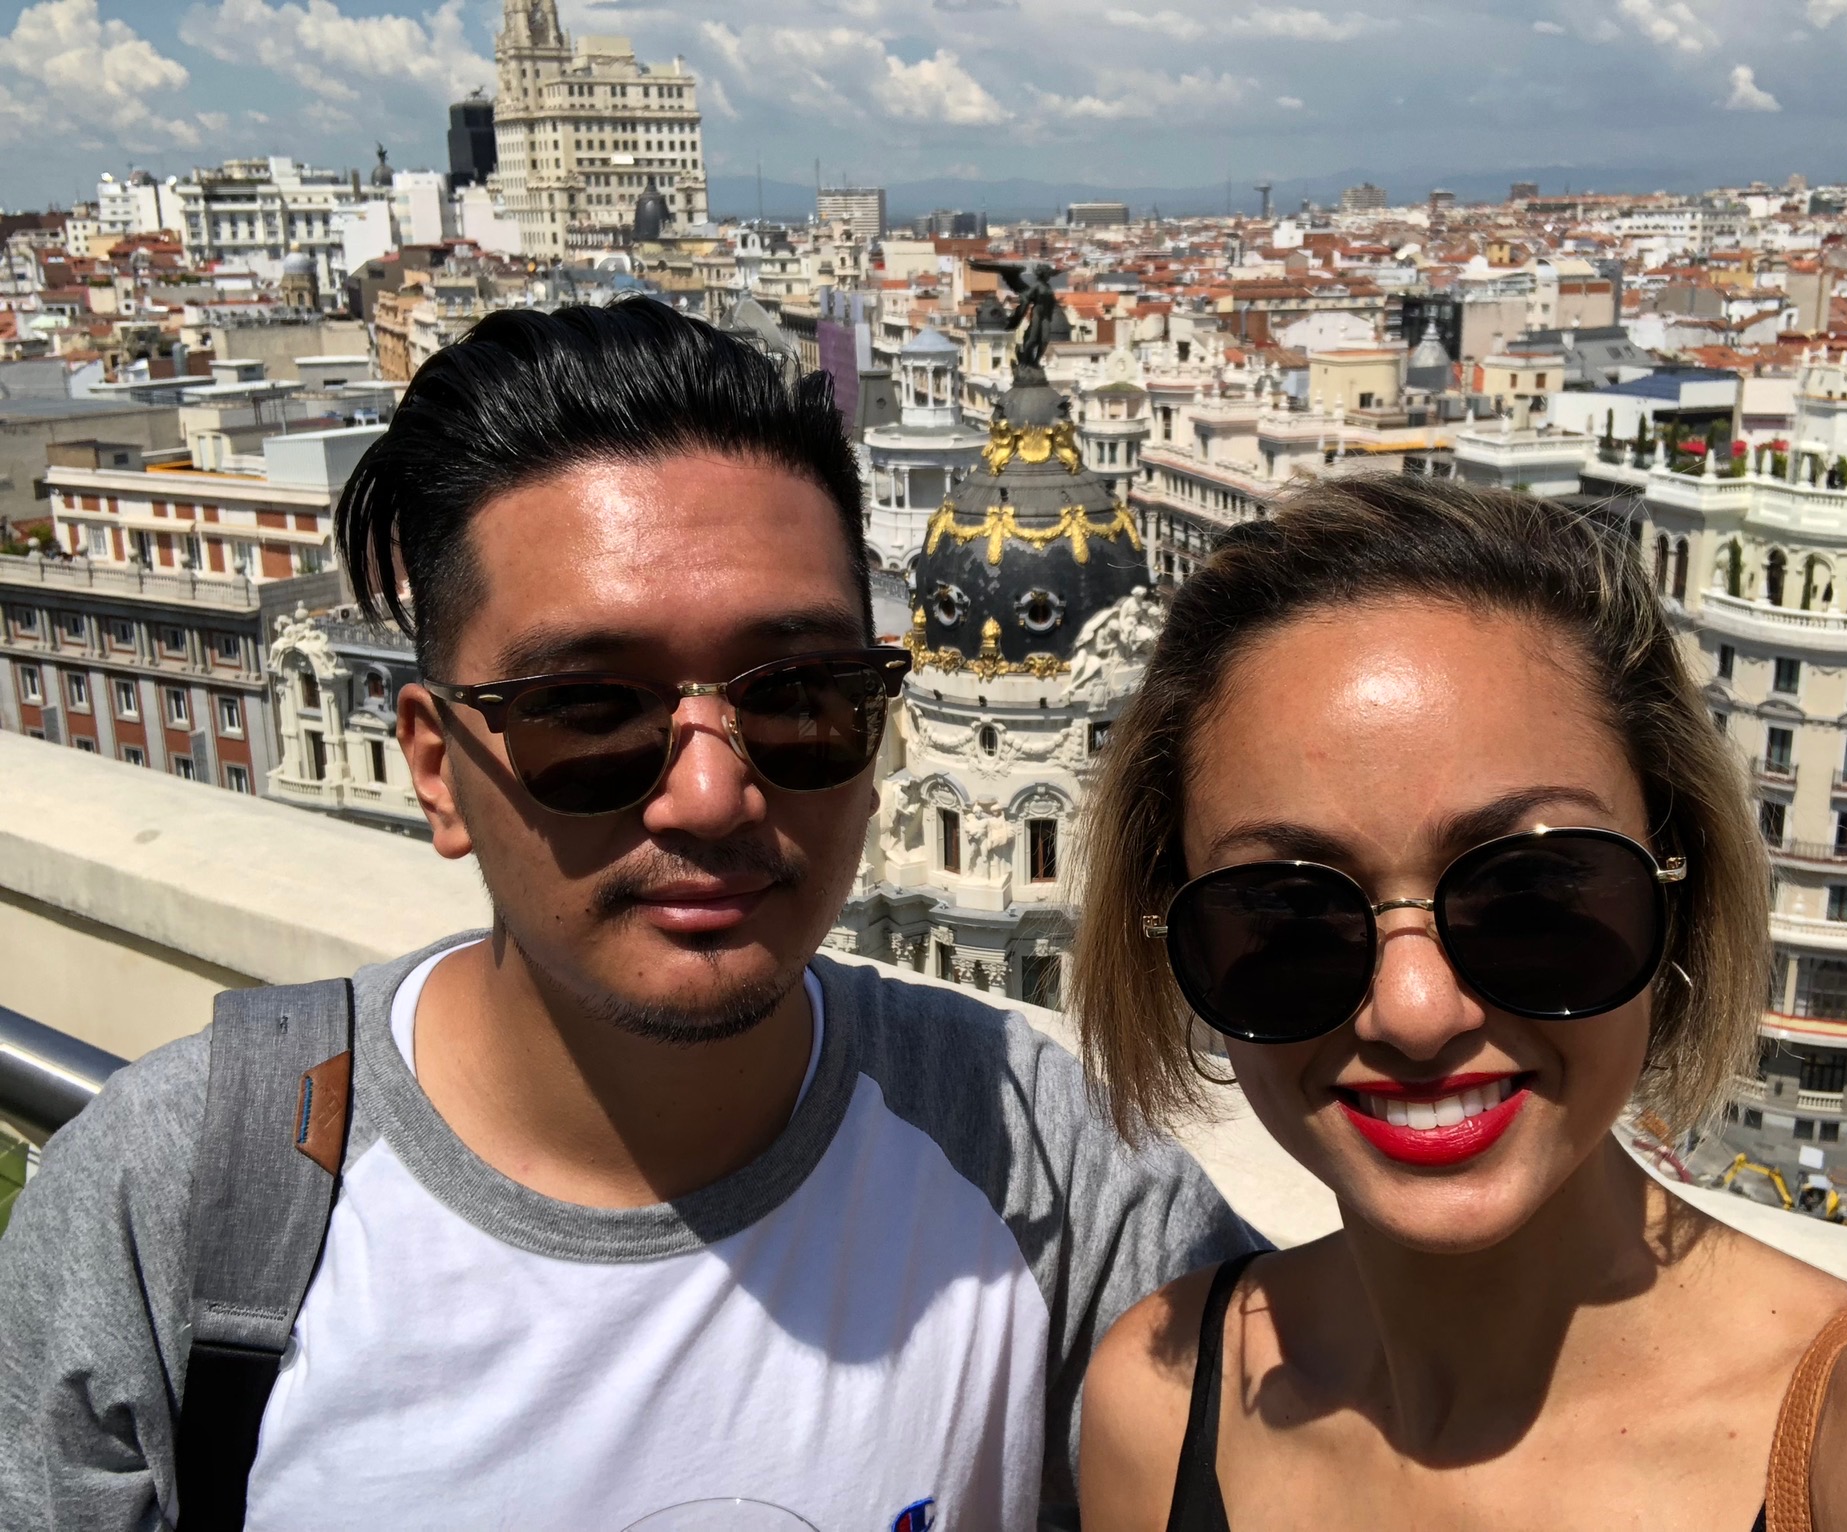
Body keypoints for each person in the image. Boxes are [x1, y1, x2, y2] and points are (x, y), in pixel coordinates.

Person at [0, 299, 1254, 1531]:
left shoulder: (1043, 1165)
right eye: (590, 709)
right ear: (437, 768)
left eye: (799, 696)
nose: (710, 793)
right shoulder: (178, 1207)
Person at [1068, 478, 1847, 1531]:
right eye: (1288, 915)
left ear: (1677, 884)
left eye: (1532, 897)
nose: (1415, 1011)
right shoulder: (1158, 1402)